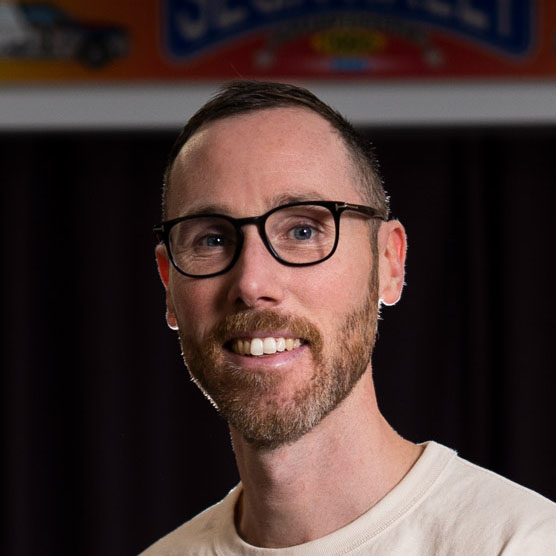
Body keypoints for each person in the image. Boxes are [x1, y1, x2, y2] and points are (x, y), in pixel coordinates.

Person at [142, 81, 556, 555]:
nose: (252, 283)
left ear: (389, 263)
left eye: (302, 230)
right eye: (212, 240)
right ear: (168, 284)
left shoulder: (521, 543)